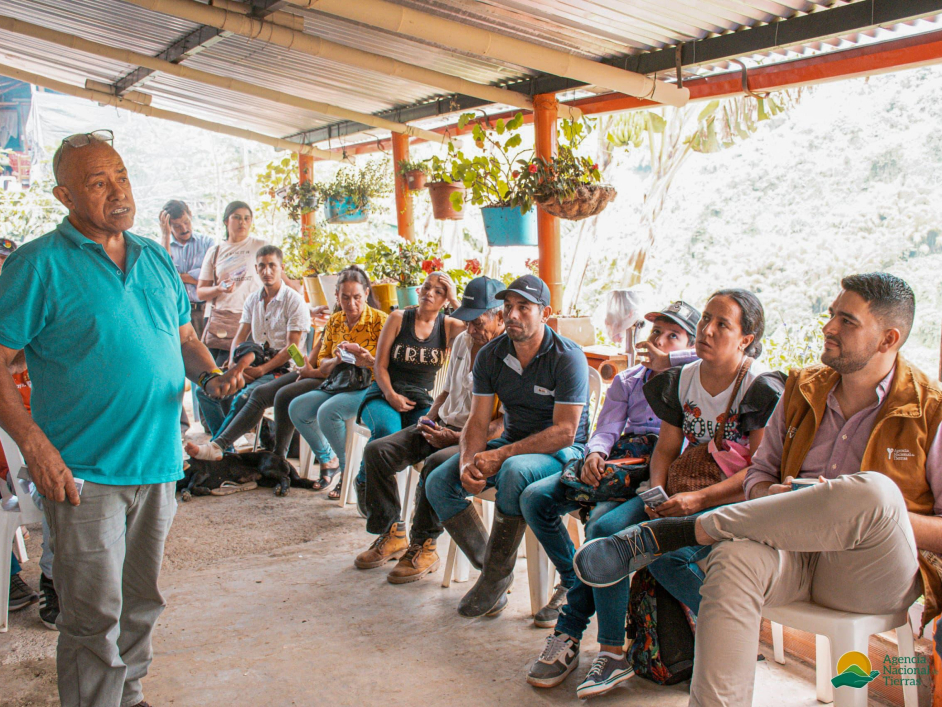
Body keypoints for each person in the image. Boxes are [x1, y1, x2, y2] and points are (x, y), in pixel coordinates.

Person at [574, 273, 942, 707]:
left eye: (847, 321)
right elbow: (758, 475)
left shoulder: (929, 409)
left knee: (873, 494)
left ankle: (686, 530)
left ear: (888, 339)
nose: (828, 328)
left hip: (869, 573)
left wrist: (846, 506)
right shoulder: (802, 389)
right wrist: (780, 497)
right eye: (830, 316)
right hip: (794, 556)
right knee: (732, 559)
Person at [0, 130, 243, 707]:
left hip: (157, 460)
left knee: (142, 600)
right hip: (83, 471)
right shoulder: (37, 265)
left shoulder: (157, 260)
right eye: (97, 181)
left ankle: (127, 696)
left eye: (122, 176)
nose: (117, 191)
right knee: (91, 613)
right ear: (64, 196)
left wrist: (211, 377)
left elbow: (184, 337)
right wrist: (34, 445)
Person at [528, 289, 783, 697]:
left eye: (723, 325)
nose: (708, 330)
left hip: (736, 503)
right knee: (604, 532)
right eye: (706, 320)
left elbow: (761, 469)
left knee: (667, 558)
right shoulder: (683, 380)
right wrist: (658, 494)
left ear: (746, 339)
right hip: (684, 490)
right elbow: (666, 447)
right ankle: (612, 653)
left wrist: (696, 502)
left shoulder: (759, 385)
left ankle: (732, 632)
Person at [519, 301, 699, 635]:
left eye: (673, 336)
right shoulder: (629, 380)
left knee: (601, 525)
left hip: (658, 473)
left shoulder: (694, 382)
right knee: (534, 497)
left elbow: (715, 359)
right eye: (656, 331)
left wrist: (670, 362)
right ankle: (574, 575)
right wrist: (594, 455)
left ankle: (582, 627)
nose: (659, 340)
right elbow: (606, 429)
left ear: (690, 345)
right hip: (620, 464)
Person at [425, 274, 590, 618]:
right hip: (513, 442)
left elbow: (565, 433)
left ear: (544, 312)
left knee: (514, 470)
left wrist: (499, 455)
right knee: (439, 482)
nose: (513, 315)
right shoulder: (491, 355)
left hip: (562, 453)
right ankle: (494, 573)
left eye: (524, 308)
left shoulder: (567, 357)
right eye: (509, 307)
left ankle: (497, 577)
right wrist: (468, 462)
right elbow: (478, 421)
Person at [354, 277, 506, 581]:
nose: (472, 330)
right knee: (377, 451)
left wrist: (454, 437)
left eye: (478, 322)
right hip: (443, 427)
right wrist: (430, 419)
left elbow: (501, 424)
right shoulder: (464, 341)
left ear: (500, 317)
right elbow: (446, 392)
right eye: (468, 323)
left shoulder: (506, 355)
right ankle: (391, 531)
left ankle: (424, 544)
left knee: (435, 464)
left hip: (471, 440)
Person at [351, 272, 464, 507]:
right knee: (386, 431)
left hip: (421, 401)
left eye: (439, 291)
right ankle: (365, 483)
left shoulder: (449, 326)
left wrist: (454, 300)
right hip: (383, 393)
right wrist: (391, 395)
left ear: (445, 299)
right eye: (427, 287)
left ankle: (419, 503)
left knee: (431, 439)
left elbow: (477, 329)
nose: (430, 294)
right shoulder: (398, 318)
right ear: (419, 291)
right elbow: (380, 366)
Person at [189, 245, 309, 454]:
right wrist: (236, 364)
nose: (267, 271)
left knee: (244, 396)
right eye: (262, 266)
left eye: (272, 265)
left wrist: (261, 371)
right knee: (205, 392)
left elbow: (292, 349)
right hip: (256, 364)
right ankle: (228, 452)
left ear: (282, 267)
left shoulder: (294, 300)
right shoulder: (253, 299)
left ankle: (217, 447)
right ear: (256, 268)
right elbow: (240, 335)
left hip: (285, 370)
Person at [287, 266, 388, 491]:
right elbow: (323, 365)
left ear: (367, 294)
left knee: (327, 412)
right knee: (297, 408)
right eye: (345, 297)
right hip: (340, 381)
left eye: (357, 297)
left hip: (369, 384)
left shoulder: (381, 322)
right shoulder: (334, 321)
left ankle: (349, 473)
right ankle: (329, 459)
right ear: (337, 296)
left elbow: (389, 365)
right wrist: (336, 360)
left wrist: (367, 359)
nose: (351, 304)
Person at [159, 200, 214, 434]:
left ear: (191, 215)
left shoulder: (207, 243)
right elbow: (163, 272)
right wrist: (164, 237)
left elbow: (206, 277)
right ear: (168, 226)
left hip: (203, 310)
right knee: (174, 366)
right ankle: (180, 424)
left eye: (186, 222)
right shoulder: (160, 247)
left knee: (203, 364)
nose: (183, 228)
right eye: (176, 225)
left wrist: (180, 275)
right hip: (174, 314)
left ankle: (208, 422)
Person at [195, 201, 266, 366]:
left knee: (240, 369)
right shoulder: (215, 251)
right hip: (221, 319)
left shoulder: (260, 246)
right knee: (213, 369)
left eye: (247, 218)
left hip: (251, 318)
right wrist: (219, 288)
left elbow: (280, 279)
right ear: (226, 221)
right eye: (237, 217)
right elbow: (201, 292)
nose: (243, 222)